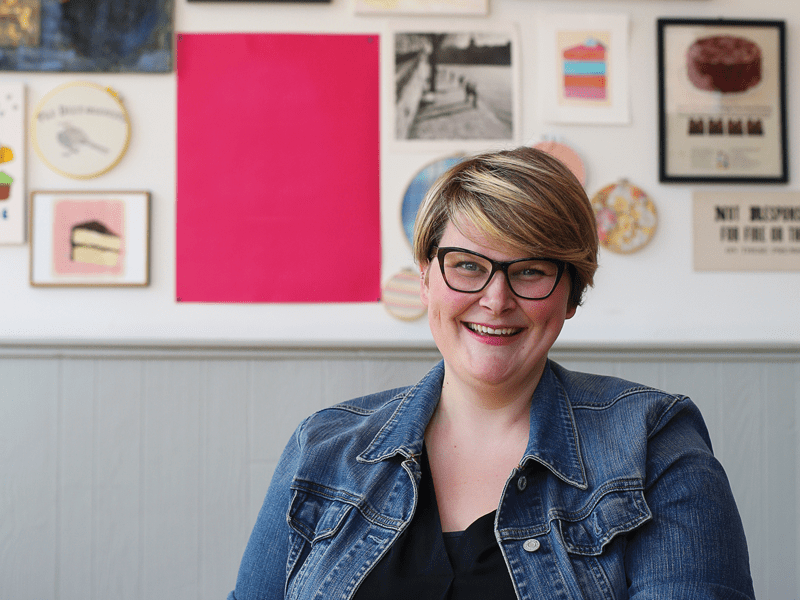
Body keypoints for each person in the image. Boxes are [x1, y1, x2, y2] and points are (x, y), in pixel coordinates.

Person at [228, 147, 755, 599]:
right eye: (467, 265)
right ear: (427, 280)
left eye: (530, 271)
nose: (495, 300)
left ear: (571, 295)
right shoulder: (322, 447)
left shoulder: (654, 443)